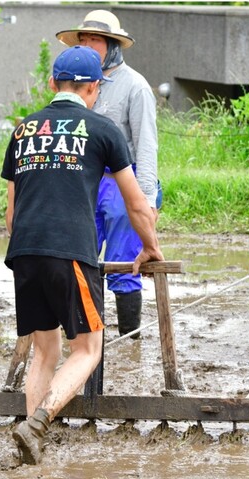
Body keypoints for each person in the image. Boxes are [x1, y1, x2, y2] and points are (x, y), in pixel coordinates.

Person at [3, 46, 164, 465]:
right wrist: (150, 247)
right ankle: (36, 425)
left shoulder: (22, 131)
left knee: (45, 351)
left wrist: (27, 248)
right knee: (89, 348)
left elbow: (10, 211)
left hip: (23, 250)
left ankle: (31, 444)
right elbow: (136, 203)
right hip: (70, 250)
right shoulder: (103, 129)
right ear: (93, 88)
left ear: (53, 84)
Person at [56, 10, 161, 338]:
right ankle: (85, 336)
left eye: (94, 40)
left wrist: (146, 200)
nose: (87, 45)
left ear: (113, 45)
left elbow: (146, 146)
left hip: (121, 183)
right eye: (83, 39)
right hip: (84, 182)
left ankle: (130, 340)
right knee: (78, 260)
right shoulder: (74, 84)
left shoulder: (135, 87)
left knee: (123, 263)